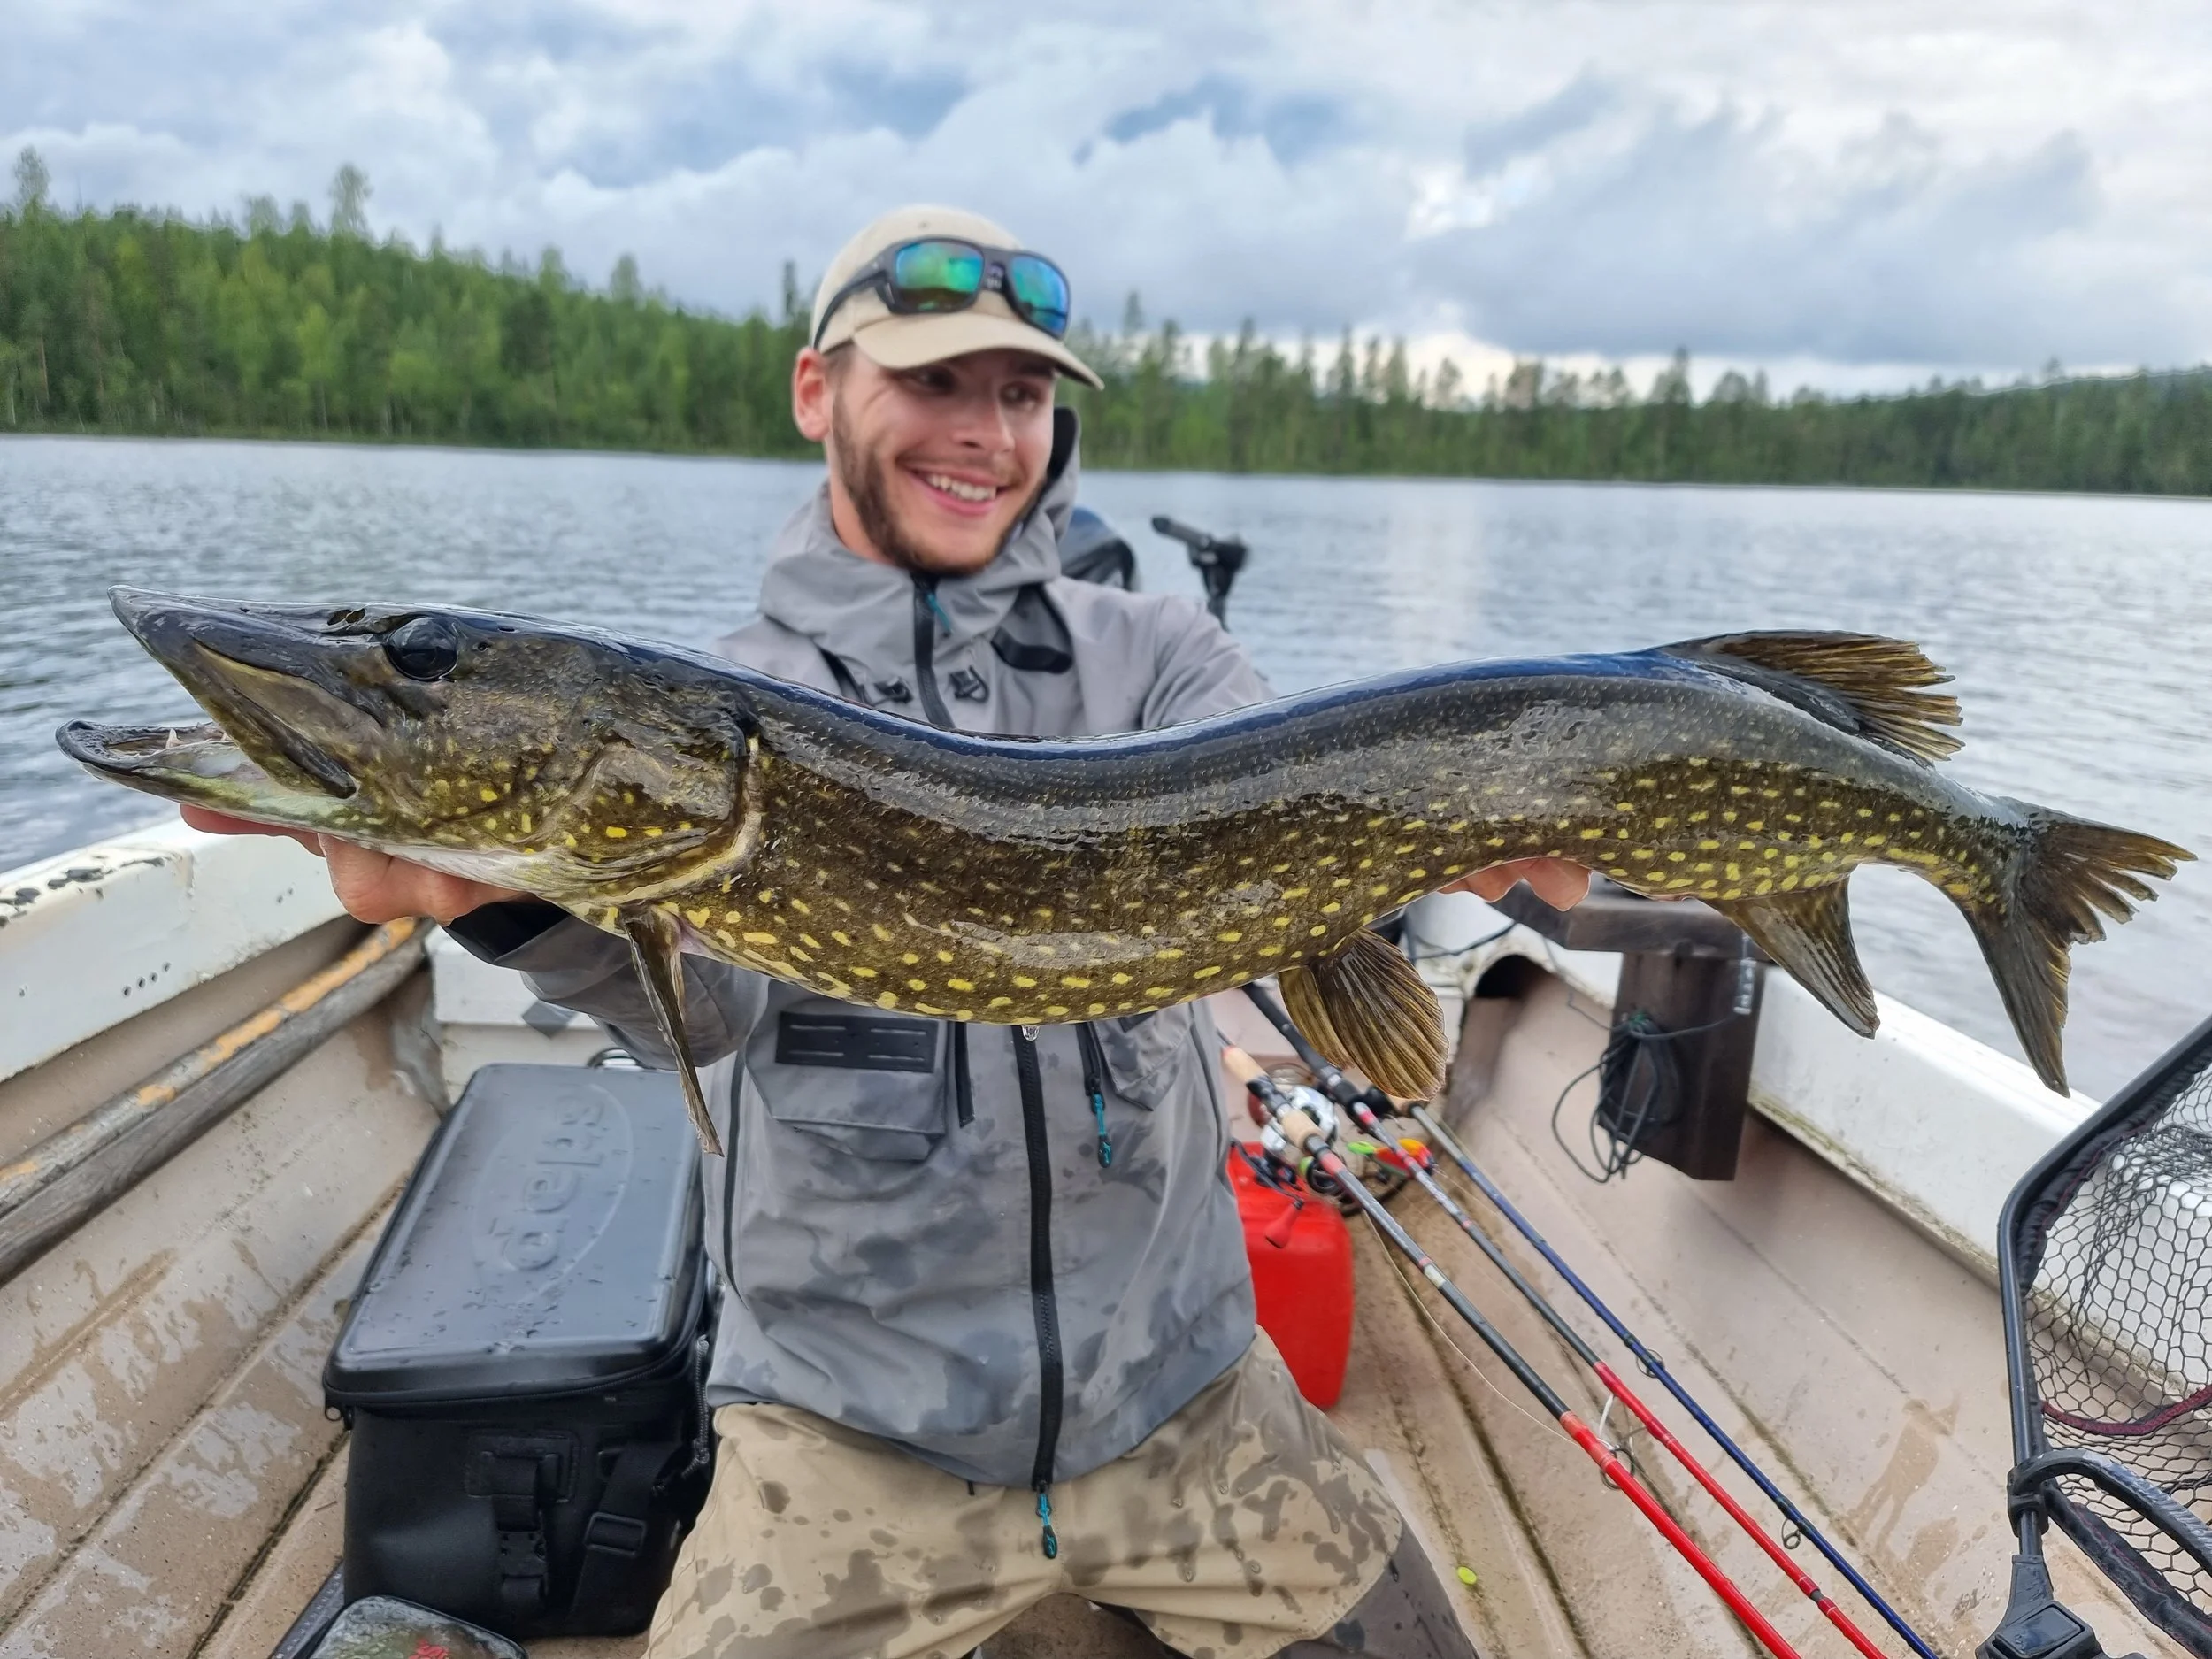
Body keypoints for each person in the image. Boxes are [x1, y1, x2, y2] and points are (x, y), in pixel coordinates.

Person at [186, 204, 1589, 1659]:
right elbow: (707, 1000)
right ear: (819, 391)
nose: (984, 430)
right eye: (932, 382)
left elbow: (1290, 814)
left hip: (1182, 1397)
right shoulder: (723, 697)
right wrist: (527, 896)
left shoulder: (1159, 651)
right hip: (847, 1436)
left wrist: (1445, 834)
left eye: (1022, 394)